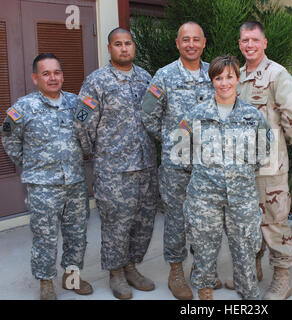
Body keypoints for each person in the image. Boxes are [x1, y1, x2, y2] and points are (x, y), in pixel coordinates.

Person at [73, 28, 157, 300]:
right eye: (118, 44)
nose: (124, 48)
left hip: (145, 165)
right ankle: (116, 273)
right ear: (109, 48)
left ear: (134, 47)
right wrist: (98, 154)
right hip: (113, 170)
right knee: (116, 225)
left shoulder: (146, 78)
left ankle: (131, 266)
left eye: (128, 43)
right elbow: (82, 122)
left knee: (142, 223)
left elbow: (156, 115)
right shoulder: (95, 81)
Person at [225, 21, 292, 300]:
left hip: (270, 167)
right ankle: (253, 269)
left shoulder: (276, 74)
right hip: (241, 168)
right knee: (246, 221)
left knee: (274, 222)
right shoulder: (235, 75)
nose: (249, 45)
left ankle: (282, 278)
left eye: (254, 40)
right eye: (245, 40)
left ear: (265, 43)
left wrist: (283, 145)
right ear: (240, 44)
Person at [1, 53, 93, 300]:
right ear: (35, 78)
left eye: (57, 72)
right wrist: (30, 165)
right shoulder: (23, 108)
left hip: (74, 183)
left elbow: (87, 136)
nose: (53, 78)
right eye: (46, 73)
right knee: (45, 237)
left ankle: (71, 278)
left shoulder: (78, 104)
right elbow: (9, 139)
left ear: (62, 75)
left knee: (77, 235)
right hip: (42, 186)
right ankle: (46, 283)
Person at [183, 55, 272, 300]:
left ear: (237, 78)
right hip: (204, 196)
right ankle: (205, 292)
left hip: (241, 197)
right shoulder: (195, 115)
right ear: (211, 80)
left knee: (245, 248)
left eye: (229, 77)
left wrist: (239, 171)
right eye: (218, 77)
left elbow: (264, 148)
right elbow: (180, 150)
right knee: (204, 248)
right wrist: (204, 172)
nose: (224, 83)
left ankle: (248, 294)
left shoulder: (252, 116)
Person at [140, 22, 217, 300]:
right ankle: (176, 271)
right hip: (176, 165)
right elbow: (148, 114)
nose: (191, 44)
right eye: (185, 39)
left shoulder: (215, 73)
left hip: (208, 164)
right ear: (177, 43)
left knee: (206, 218)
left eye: (196, 39)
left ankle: (202, 267)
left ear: (204, 42)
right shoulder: (164, 76)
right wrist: (172, 139)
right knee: (175, 218)